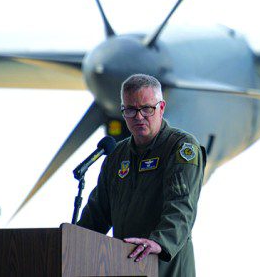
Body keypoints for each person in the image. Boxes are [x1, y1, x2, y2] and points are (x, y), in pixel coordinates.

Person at [77, 73, 205, 276]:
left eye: (146, 108)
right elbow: (96, 215)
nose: (138, 116)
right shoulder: (116, 156)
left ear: (161, 108)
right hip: (126, 266)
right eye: (130, 110)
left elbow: (181, 206)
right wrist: (69, 241)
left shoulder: (181, 147)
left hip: (165, 268)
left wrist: (158, 242)